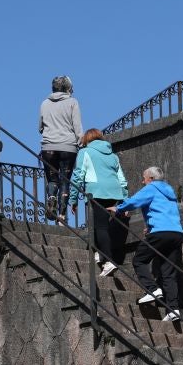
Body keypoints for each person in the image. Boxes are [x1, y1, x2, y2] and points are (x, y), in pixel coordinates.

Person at [107, 167, 183, 322]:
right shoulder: (169, 191)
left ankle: (153, 289)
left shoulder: (151, 188)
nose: (143, 181)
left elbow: (135, 201)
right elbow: (166, 212)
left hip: (160, 232)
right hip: (176, 233)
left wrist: (118, 208)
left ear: (150, 178)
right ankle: (173, 309)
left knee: (139, 260)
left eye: (144, 178)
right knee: (168, 271)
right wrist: (150, 226)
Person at [69, 129, 128, 276]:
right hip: (114, 192)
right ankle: (100, 253)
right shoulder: (113, 156)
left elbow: (78, 176)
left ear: (86, 140)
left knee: (100, 226)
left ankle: (108, 261)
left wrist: (73, 199)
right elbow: (121, 179)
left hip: (97, 191)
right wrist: (125, 200)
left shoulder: (85, 152)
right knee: (101, 224)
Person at [40, 76, 83, 221]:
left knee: (52, 180)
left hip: (48, 147)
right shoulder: (72, 102)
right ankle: (62, 216)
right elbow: (77, 127)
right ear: (67, 88)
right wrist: (81, 143)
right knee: (65, 181)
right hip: (68, 147)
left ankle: (51, 197)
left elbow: (40, 127)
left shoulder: (44, 103)